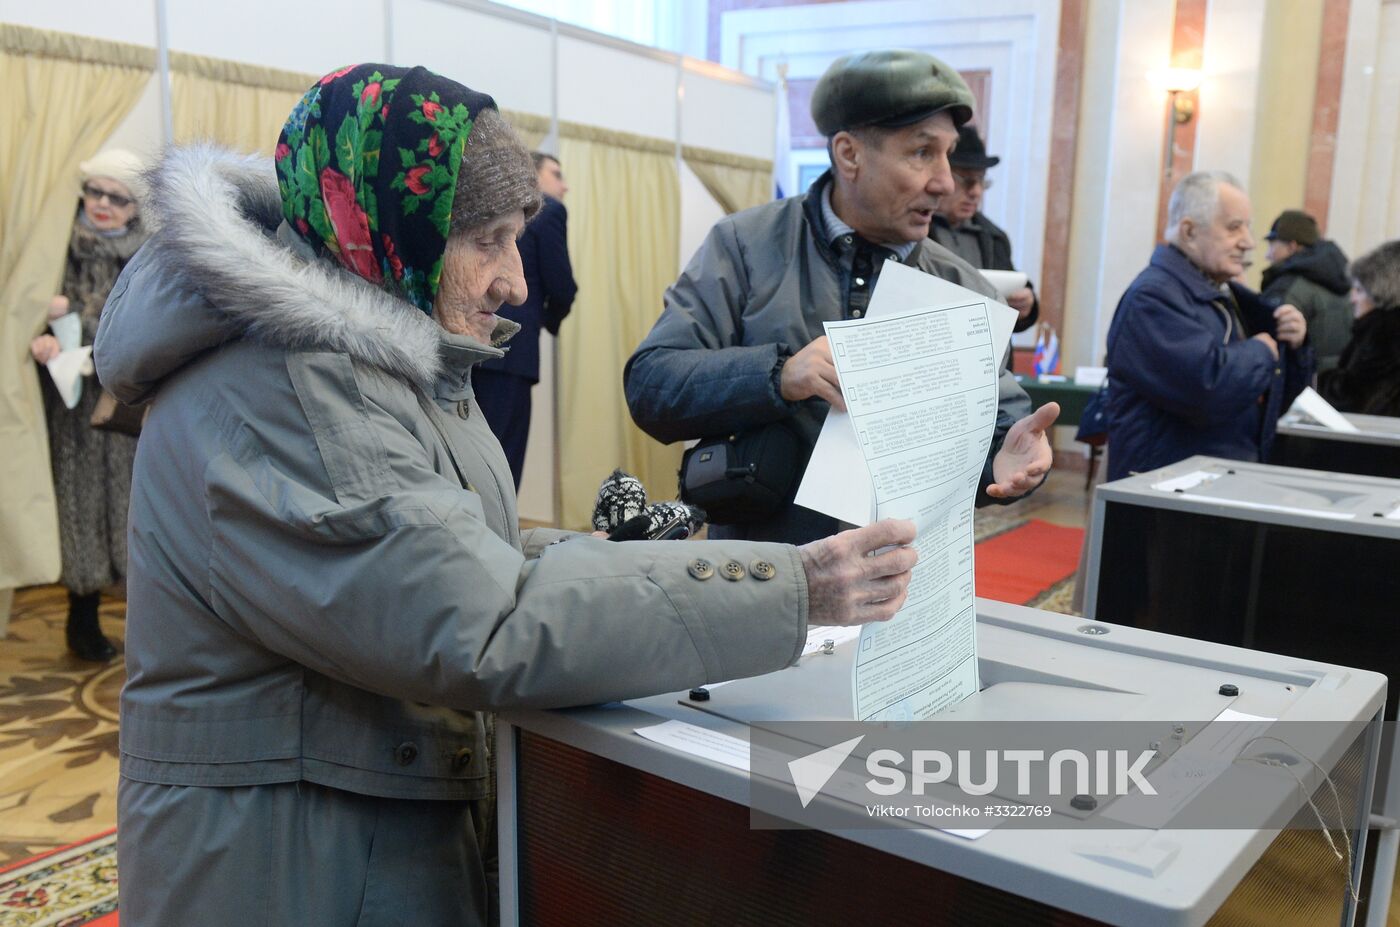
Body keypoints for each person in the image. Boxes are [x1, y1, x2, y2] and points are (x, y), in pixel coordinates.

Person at [94, 64, 918, 925]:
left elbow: (462, 547)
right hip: (283, 870)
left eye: (517, 237)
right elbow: (483, 623)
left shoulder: (364, 355)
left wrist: (619, 564)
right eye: (487, 240)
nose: (517, 282)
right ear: (387, 227)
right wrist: (795, 590)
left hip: (340, 831)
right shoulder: (289, 387)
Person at [624, 50, 1057, 545]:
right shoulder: (746, 248)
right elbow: (652, 385)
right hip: (762, 575)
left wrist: (1007, 457)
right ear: (850, 155)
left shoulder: (965, 289)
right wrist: (779, 376)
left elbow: (998, 426)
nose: (943, 181)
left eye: (948, 153)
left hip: (903, 578)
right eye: (922, 152)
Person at [1104, 171, 1313, 480]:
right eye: (1234, 227)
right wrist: (1262, 351)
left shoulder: (1224, 294)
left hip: (1212, 479)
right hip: (1165, 491)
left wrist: (1294, 348)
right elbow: (1207, 391)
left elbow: (1270, 399)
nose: (1248, 242)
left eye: (1248, 227)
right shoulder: (1152, 298)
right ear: (1189, 231)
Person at [28, 149, 150, 661]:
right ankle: (81, 619)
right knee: (78, 506)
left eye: (117, 198)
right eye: (95, 192)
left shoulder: (147, 258)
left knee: (129, 507)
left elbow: (146, 324)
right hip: (70, 409)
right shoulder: (52, 251)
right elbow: (24, 314)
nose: (103, 204)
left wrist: (78, 319)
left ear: (134, 207)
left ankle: (141, 623)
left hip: (124, 402)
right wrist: (42, 334)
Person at [472, 152, 576, 487]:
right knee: (503, 460)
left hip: (469, 341)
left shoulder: (483, 202)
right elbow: (562, 287)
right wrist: (544, 320)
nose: (564, 186)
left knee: (467, 455)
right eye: (556, 174)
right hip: (513, 349)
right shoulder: (549, 210)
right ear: (532, 173)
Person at [929, 124, 1039, 352]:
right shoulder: (913, 233)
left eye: (981, 181)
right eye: (967, 181)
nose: (976, 192)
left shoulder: (994, 237)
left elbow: (1012, 296)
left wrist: (1027, 305)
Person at [1260, 209, 1352, 374]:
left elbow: (1269, 353)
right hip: (1335, 383)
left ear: (1292, 247)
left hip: (1302, 384)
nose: (1267, 255)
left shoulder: (1287, 287)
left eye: (1272, 245)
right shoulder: (1345, 283)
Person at [1317, 240, 1400, 416]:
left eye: (1359, 290)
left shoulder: (1383, 333)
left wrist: (1318, 381)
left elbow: (1353, 396)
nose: (1352, 299)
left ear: (1382, 293)